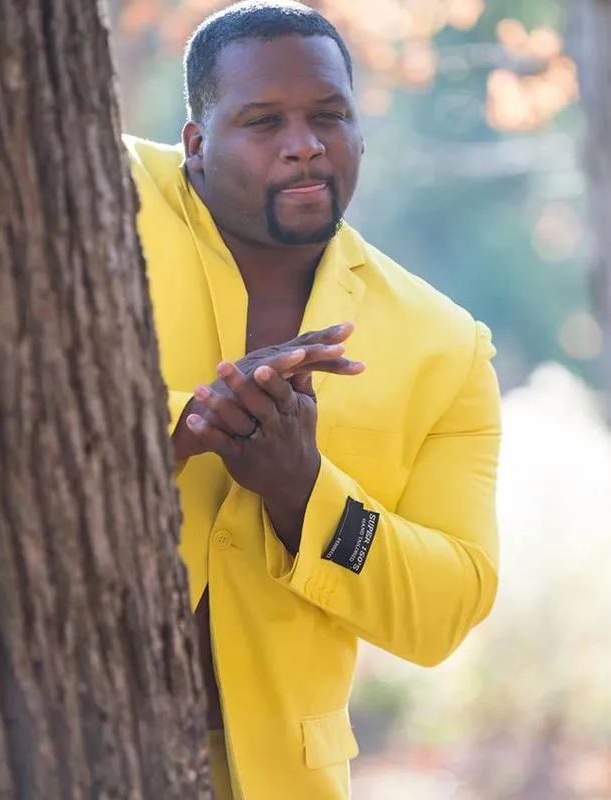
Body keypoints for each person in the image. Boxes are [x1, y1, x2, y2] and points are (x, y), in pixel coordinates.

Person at [124, 1, 501, 797]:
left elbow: (449, 604)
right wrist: (187, 423)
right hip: (37, 742)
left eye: (329, 115)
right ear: (196, 143)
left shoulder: (444, 344)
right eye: (263, 121)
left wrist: (307, 496)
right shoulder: (97, 191)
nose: (305, 145)